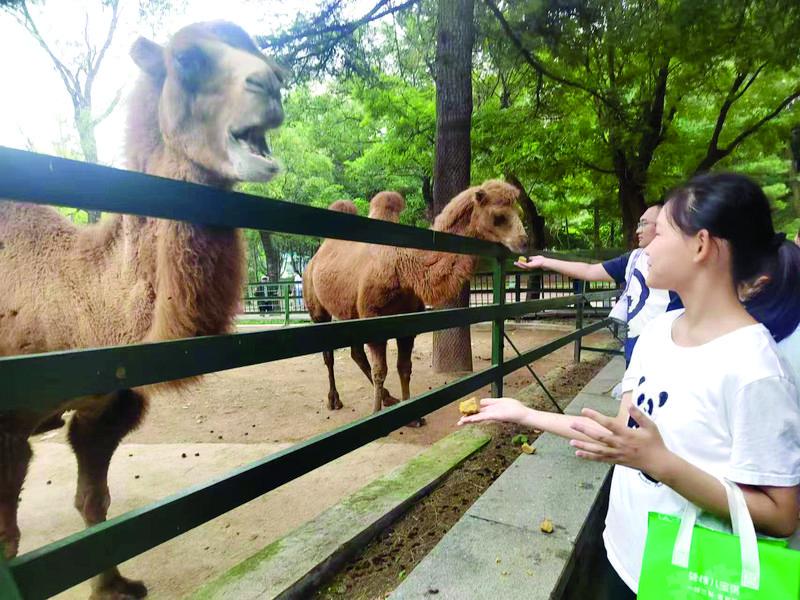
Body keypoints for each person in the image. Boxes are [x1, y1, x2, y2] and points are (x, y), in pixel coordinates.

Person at [461, 173, 800, 597]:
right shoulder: (659, 332)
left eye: (662, 233)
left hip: (694, 579)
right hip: (624, 553)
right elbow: (624, 438)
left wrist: (662, 464)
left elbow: (782, 514)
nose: (647, 244)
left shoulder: (756, 370)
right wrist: (523, 414)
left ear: (702, 246)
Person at [516, 204, 682, 365]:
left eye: (644, 224)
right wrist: (545, 261)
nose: (638, 230)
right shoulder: (633, 259)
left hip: (666, 356)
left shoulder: (682, 263)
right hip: (635, 356)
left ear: (663, 225)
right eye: (639, 224)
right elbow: (589, 271)